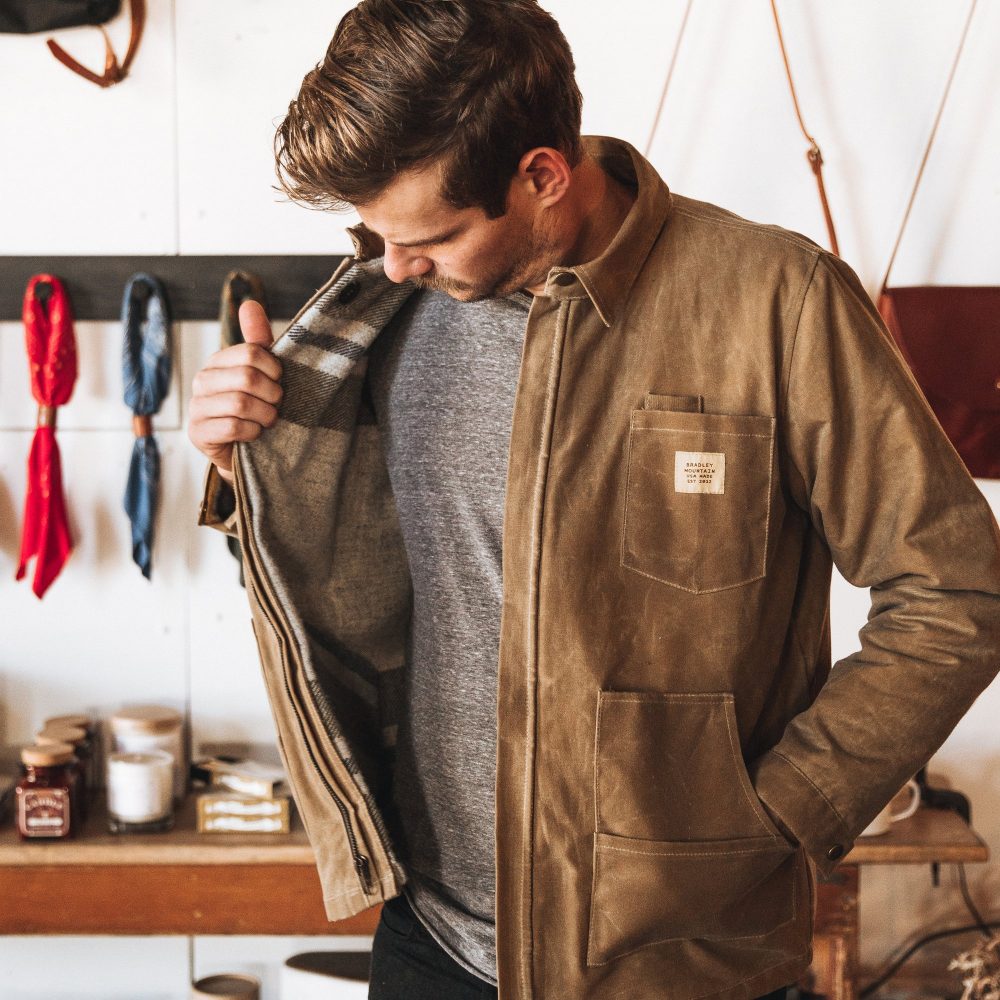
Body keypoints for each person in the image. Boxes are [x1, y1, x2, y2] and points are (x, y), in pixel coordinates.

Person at [187, 2, 1000, 998]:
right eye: (374, 234)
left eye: (431, 235)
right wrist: (242, 458)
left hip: (682, 957)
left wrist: (784, 811)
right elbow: (345, 578)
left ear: (541, 175)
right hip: (432, 942)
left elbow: (956, 592)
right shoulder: (384, 311)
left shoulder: (774, 302)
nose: (393, 262)